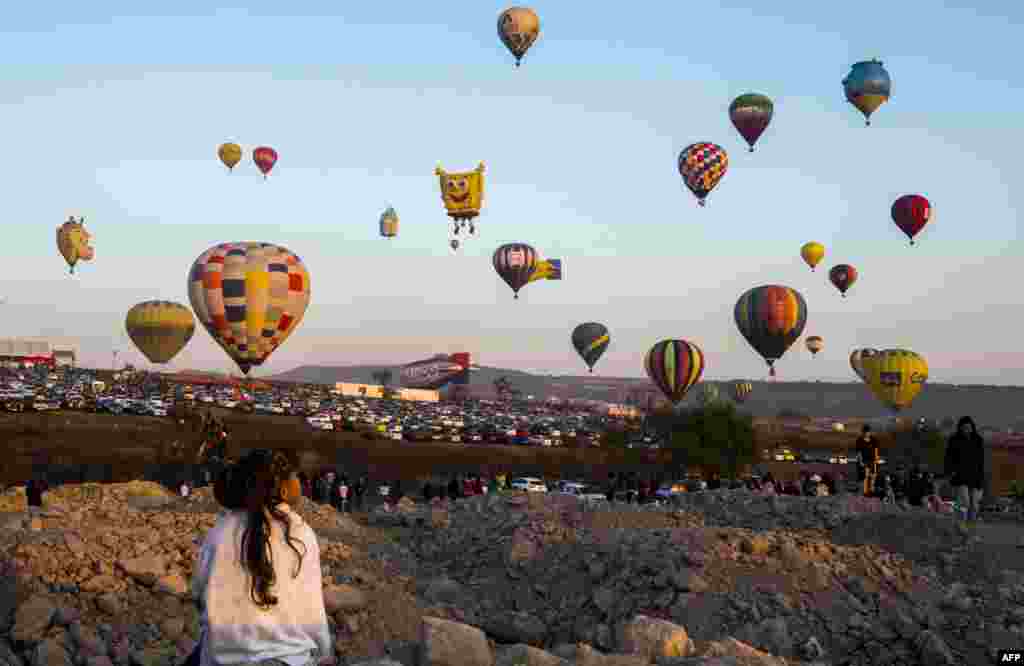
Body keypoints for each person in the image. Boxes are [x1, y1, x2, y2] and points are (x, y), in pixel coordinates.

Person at [191, 449, 331, 666]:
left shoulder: (219, 532)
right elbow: (313, 613)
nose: (299, 482)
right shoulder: (301, 534)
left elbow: (200, 596)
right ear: (283, 488)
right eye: (294, 476)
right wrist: (323, 652)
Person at [944, 416, 986, 522]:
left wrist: (981, 477)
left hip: (975, 477)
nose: (967, 429)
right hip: (960, 476)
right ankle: (959, 522)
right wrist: (949, 472)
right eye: (964, 427)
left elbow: (981, 460)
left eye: (969, 427)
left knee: (974, 506)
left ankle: (970, 528)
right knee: (964, 501)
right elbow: (949, 457)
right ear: (960, 428)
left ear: (972, 427)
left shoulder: (978, 440)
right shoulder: (954, 440)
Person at [856, 425, 880, 497]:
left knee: (873, 476)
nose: (867, 433)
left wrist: (876, 459)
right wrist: (860, 462)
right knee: (865, 476)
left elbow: (876, 450)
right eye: (865, 432)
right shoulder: (859, 440)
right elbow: (859, 452)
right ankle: (865, 491)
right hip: (864, 460)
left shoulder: (874, 439)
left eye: (868, 432)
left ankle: (872, 491)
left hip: (872, 460)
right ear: (863, 432)